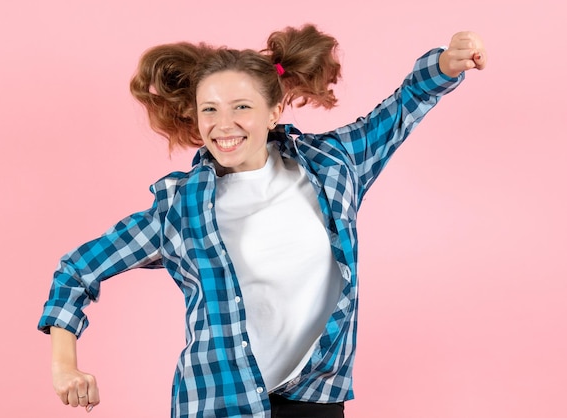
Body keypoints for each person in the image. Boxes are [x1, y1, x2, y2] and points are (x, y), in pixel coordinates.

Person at [38, 24, 487, 418]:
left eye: (241, 107)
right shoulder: (180, 207)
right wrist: (64, 365)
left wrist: (446, 64)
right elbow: (77, 270)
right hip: (216, 403)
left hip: (315, 399)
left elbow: (402, 108)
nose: (223, 124)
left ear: (273, 112)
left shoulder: (333, 165)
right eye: (209, 109)